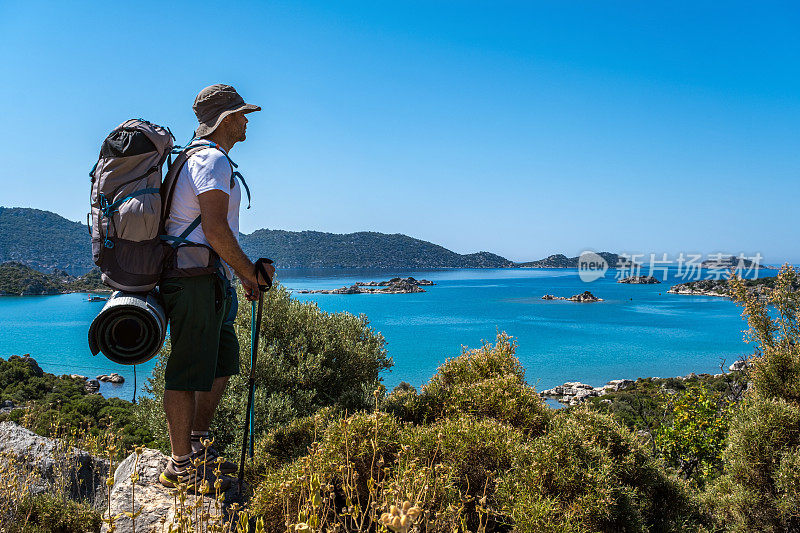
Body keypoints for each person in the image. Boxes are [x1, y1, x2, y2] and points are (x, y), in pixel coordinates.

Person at [158, 84, 275, 492]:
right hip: (194, 280)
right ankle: (180, 466)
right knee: (187, 368)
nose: (246, 121)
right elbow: (214, 228)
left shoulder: (204, 159)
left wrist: (239, 274)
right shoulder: (211, 160)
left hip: (210, 279)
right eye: (242, 114)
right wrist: (249, 271)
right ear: (226, 120)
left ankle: (196, 442)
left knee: (224, 362)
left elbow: (215, 232)